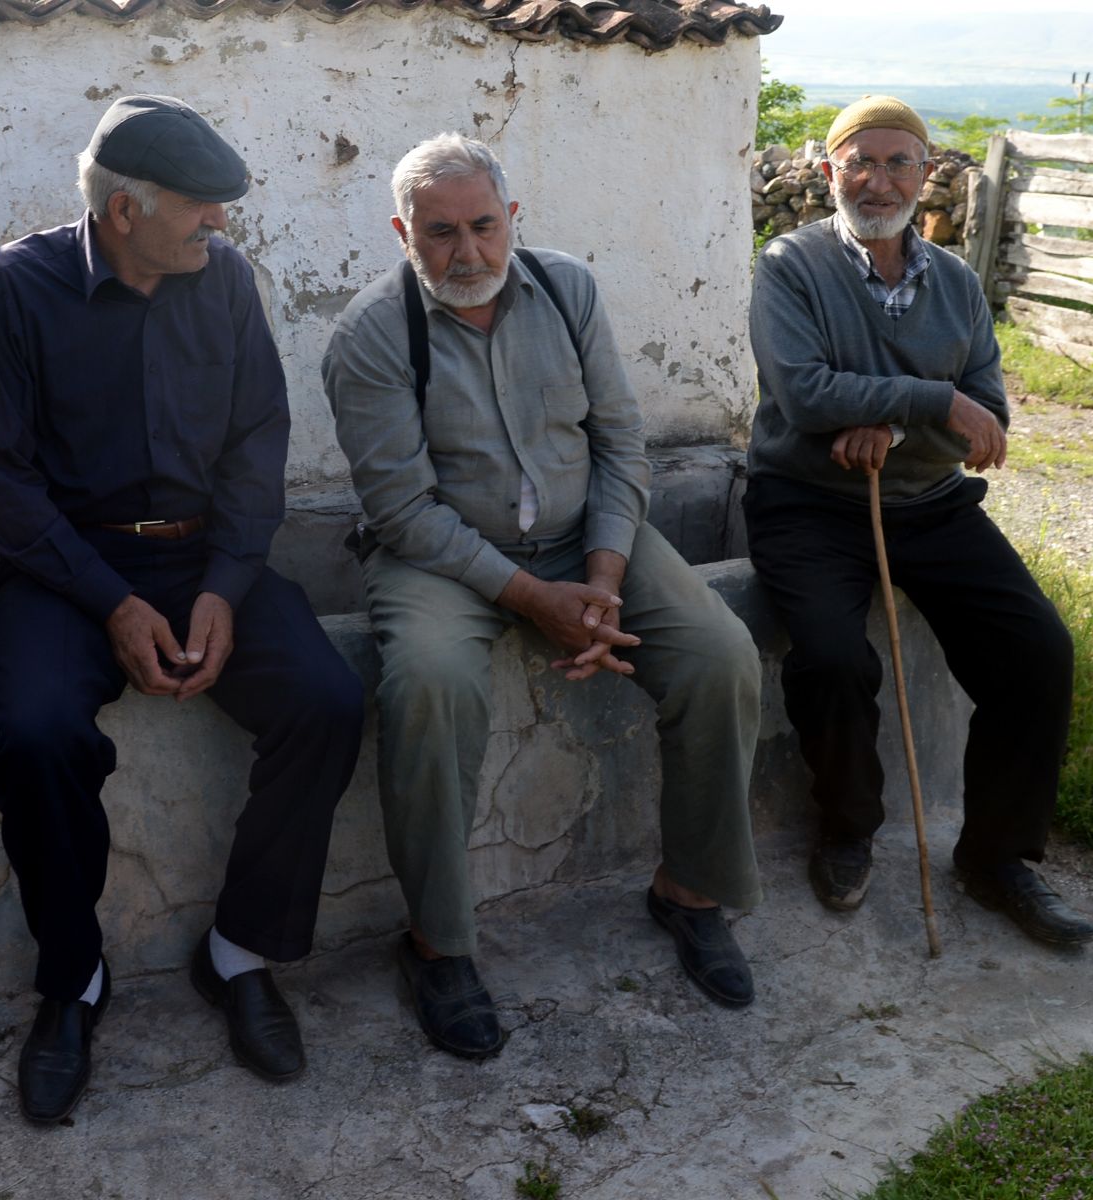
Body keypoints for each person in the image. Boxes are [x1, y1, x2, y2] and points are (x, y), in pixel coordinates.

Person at [0, 94, 365, 1124]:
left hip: (206, 558)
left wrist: (227, 588)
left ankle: (236, 952)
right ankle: (73, 979)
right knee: (40, 736)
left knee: (324, 698)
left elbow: (257, 441)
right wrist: (114, 606)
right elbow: (3, 487)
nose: (221, 226)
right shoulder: (11, 290)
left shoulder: (223, 281)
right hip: (65, 571)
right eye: (200, 207)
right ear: (126, 211)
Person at [322, 132, 763, 1059]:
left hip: (586, 535)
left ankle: (688, 892)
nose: (467, 252)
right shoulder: (370, 333)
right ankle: (438, 946)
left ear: (512, 219)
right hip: (445, 555)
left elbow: (621, 440)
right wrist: (531, 596)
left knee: (719, 656)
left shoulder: (567, 289)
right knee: (431, 686)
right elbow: (401, 509)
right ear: (405, 233)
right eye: (439, 234)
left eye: (484, 226)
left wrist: (600, 581)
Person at [744, 94, 1093, 948]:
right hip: (809, 504)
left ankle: (998, 859)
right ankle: (849, 828)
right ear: (830, 172)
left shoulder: (958, 283)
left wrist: (897, 426)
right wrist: (929, 398)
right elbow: (806, 393)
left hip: (930, 502)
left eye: (899, 161)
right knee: (830, 657)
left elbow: (988, 412)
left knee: (1037, 652)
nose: (878, 178)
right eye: (859, 160)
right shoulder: (789, 265)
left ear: (927, 173)